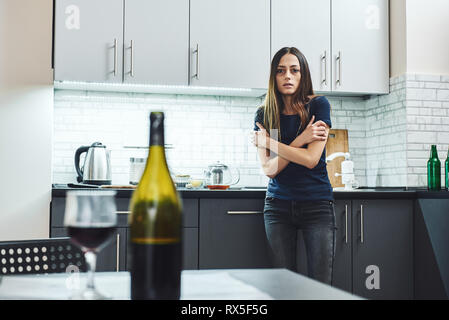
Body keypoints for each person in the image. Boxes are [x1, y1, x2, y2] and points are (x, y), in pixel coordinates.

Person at [252, 47, 336, 285]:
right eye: (281, 71)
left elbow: (311, 160)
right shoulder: (267, 114)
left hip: (317, 205)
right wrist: (301, 139)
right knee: (283, 285)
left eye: (294, 70)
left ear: (303, 75)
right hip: (277, 207)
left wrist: (269, 142)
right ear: (274, 76)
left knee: (320, 287)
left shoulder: (318, 106)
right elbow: (269, 169)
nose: (287, 76)